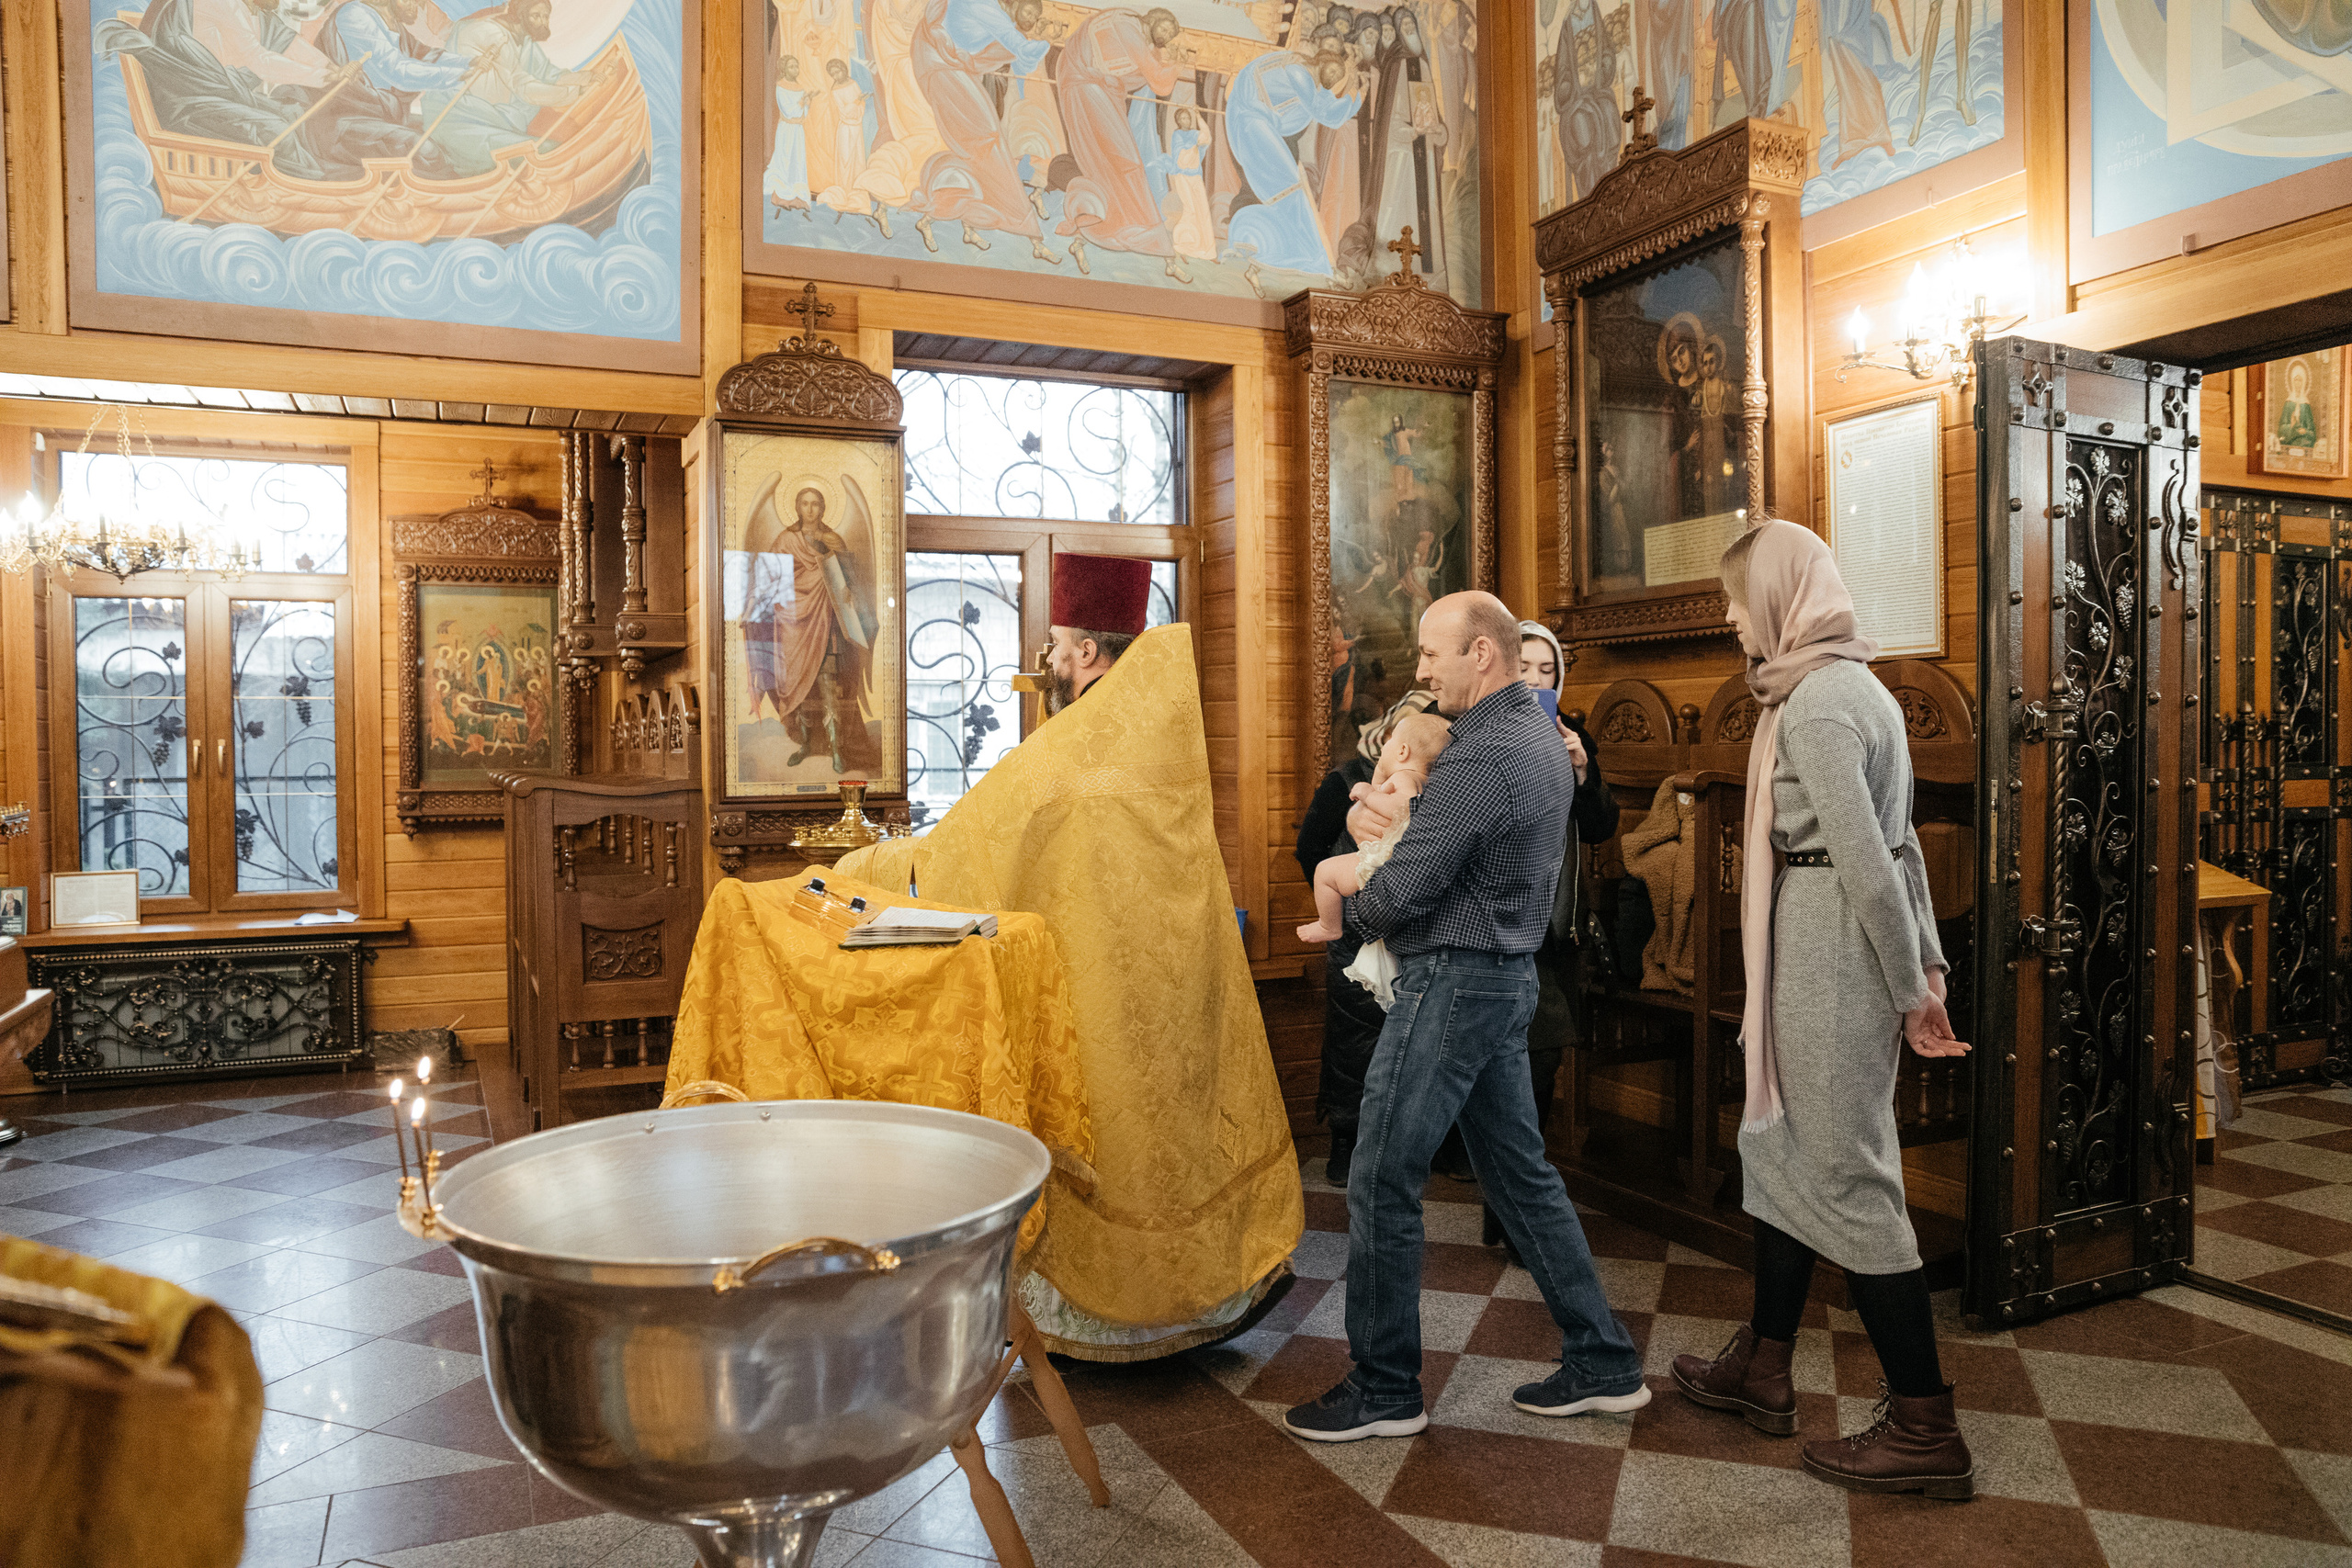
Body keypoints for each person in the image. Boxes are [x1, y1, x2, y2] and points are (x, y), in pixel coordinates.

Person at [834, 615, 1304, 1361]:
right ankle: (1203, 1298)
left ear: (1088, 651)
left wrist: (862, 869)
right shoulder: (1158, 741)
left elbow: (965, 847)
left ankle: (1105, 1322)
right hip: (1177, 990)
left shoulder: (1069, 759)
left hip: (1095, 996)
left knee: (1111, 1136)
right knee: (1174, 1140)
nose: (1045, 662)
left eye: (1053, 646)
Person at [1285, 591, 1648, 1442]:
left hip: (1455, 983)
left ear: (1481, 654)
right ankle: (1602, 1358)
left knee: (1379, 1174)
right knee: (1520, 1175)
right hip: (1498, 978)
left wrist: (1353, 909)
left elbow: (1409, 883)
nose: (1419, 669)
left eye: (1431, 653)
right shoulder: (1524, 737)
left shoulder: (1489, 752)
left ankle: (1384, 1387)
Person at [1669, 519, 1974, 1499]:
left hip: (1826, 949)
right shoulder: (1860, 689)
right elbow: (1904, 850)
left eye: (1735, 595)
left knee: (1846, 1175)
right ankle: (1762, 1362)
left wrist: (1903, 987)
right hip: (1827, 940)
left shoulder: (1813, 706)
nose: (1726, 613)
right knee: (1784, 1148)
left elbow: (1866, 868)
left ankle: (1924, 1422)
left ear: (1780, 598)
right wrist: (1923, 967)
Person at [1473, 617, 1616, 1254]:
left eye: (1546, 671)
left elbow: (1603, 825)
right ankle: (1505, 1209)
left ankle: (1513, 1210)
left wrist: (1581, 772)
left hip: (1553, 932)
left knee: (1540, 1066)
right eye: (1524, 667)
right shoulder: (1482, 733)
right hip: (1494, 926)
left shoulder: (1572, 737)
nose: (1535, 679)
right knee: (1498, 1069)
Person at [1295, 689, 1438, 1185]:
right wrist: (1348, 882)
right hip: (1355, 926)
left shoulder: (1432, 784)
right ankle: (1345, 1136)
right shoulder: (1348, 779)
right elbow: (1310, 846)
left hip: (1412, 927)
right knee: (1354, 1039)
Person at [1296, 711, 1453, 1006]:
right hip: (1400, 869)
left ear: (1403, 751)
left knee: (1326, 873)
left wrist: (1367, 793)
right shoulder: (1432, 785)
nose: (1384, 749)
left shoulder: (1407, 777)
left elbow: (1401, 809)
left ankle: (1329, 925)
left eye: (1391, 742)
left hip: (1385, 862)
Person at [1044, 553, 1153, 714]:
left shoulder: (1067, 735)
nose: (1049, 658)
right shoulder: (1150, 718)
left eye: (1057, 643)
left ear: (1086, 652)